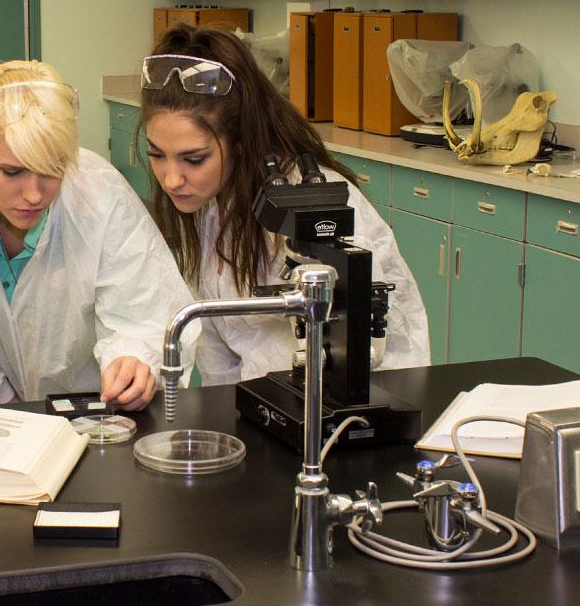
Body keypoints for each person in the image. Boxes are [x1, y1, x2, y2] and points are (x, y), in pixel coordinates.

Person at [138, 24, 430, 384]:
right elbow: (217, 341)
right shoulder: (210, 204)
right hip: (264, 401)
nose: (171, 178)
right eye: (157, 155)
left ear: (240, 142)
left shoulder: (311, 201)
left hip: (354, 396)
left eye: (193, 159)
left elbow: (371, 346)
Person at [0, 60, 196, 410]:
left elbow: (145, 310)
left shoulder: (100, 195)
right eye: (12, 172)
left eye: (52, 170)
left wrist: (133, 359)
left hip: (86, 405)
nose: (34, 194)